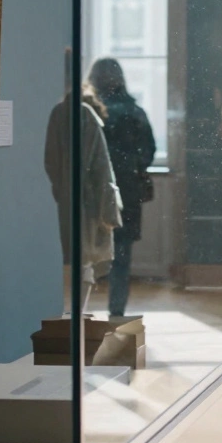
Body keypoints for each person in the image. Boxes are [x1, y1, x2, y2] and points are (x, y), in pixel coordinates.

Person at [44, 53, 122, 311]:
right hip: (89, 202)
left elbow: (51, 163)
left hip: (70, 199)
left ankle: (73, 317)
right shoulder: (85, 115)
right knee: (84, 261)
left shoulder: (59, 113)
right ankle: (75, 317)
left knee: (77, 259)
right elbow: (102, 167)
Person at [88, 58, 157, 318]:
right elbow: (147, 152)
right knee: (122, 256)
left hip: (96, 189)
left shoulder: (93, 112)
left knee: (90, 253)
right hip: (127, 190)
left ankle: (85, 310)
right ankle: (116, 312)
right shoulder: (135, 112)